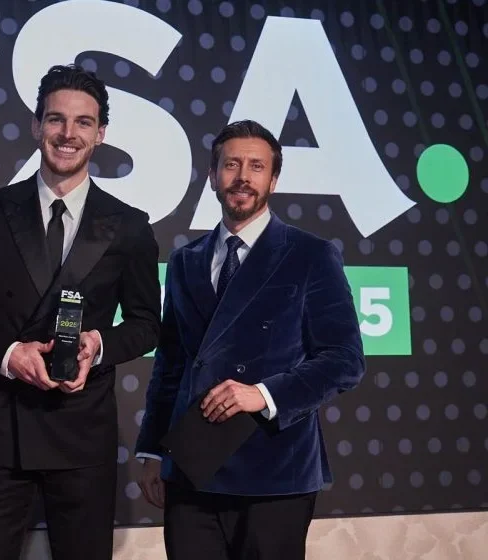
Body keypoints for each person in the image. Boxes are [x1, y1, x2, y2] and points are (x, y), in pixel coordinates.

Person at [0, 64, 161, 560]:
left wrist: (97, 345)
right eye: (56, 120)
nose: (68, 134)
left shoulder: (129, 225)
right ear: (35, 126)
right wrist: (7, 354)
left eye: (83, 122)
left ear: (101, 134)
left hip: (81, 432)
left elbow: (146, 325)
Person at [135, 120, 366, 560]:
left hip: (275, 470)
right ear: (213, 176)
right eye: (231, 165)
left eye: (256, 166)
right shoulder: (185, 261)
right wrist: (151, 450)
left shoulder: (311, 255)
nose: (243, 176)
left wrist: (261, 394)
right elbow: (170, 364)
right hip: (191, 465)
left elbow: (344, 360)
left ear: (273, 179)